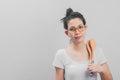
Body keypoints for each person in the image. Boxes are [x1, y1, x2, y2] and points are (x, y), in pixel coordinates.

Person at [52, 8, 112, 80]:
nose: (77, 32)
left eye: (80, 27)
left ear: (85, 27)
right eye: (72, 29)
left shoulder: (96, 51)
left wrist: (101, 69)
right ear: (67, 33)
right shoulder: (61, 55)